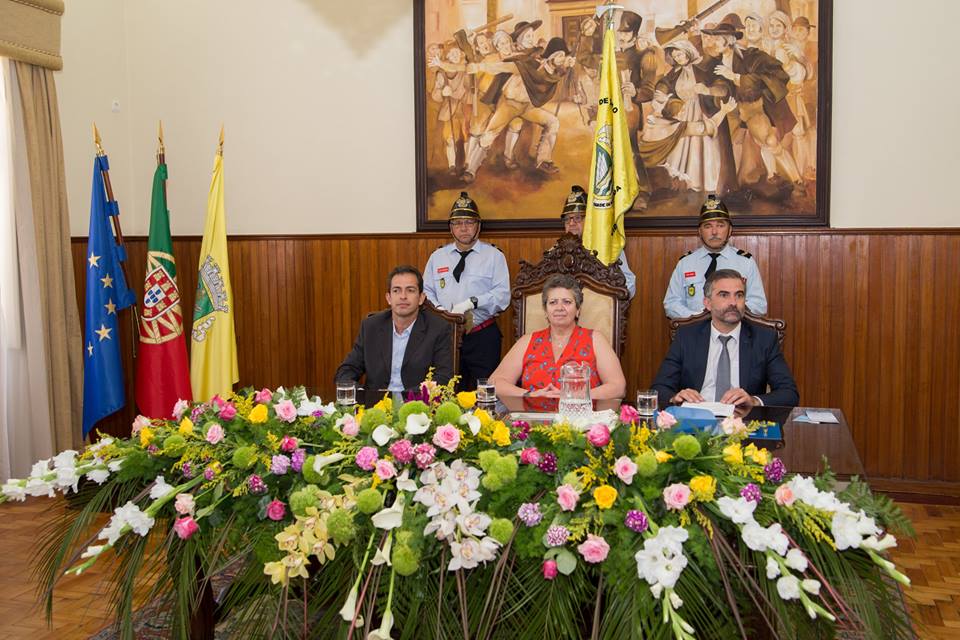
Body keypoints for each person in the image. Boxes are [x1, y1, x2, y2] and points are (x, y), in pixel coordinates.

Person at [652, 268, 798, 408]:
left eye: (739, 295)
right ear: (708, 303)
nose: (733, 303)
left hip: (742, 419)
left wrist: (754, 400)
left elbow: (789, 393)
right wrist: (676, 397)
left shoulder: (764, 339)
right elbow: (659, 388)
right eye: (724, 295)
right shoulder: (686, 337)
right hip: (696, 417)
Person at [424, 192, 510, 390]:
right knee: (446, 390)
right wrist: (441, 312)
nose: (463, 228)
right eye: (457, 223)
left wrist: (472, 302)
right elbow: (426, 291)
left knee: (485, 391)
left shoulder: (494, 256)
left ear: (478, 225)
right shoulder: (437, 257)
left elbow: (502, 295)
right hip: (445, 336)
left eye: (469, 222)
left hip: (482, 335)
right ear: (450, 227)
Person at [489, 274, 625, 399]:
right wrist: (530, 394)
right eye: (553, 302)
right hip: (532, 415)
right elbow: (495, 382)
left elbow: (618, 387)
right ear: (545, 310)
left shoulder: (596, 340)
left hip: (580, 416)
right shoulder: (527, 341)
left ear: (578, 309)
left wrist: (573, 396)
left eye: (567, 302)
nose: (559, 308)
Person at [335, 266, 453, 392]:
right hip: (374, 402)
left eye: (410, 290)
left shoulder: (438, 328)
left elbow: (443, 378)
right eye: (396, 290)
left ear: (421, 298)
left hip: (415, 402)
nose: (403, 296)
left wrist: (401, 398)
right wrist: (362, 394)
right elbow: (346, 370)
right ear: (389, 298)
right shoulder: (371, 327)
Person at [663, 194, 767, 318]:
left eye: (720, 225)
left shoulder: (746, 262)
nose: (714, 232)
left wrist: (727, 314)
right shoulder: (685, 263)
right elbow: (671, 304)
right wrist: (699, 317)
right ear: (700, 231)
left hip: (734, 327)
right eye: (708, 226)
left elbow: (759, 305)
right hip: (695, 327)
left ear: (730, 230)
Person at [559, 185, 636, 298]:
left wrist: (606, 301)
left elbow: (630, 284)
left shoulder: (608, 247)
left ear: (590, 220)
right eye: (567, 219)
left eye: (578, 218)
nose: (571, 223)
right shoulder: (556, 251)